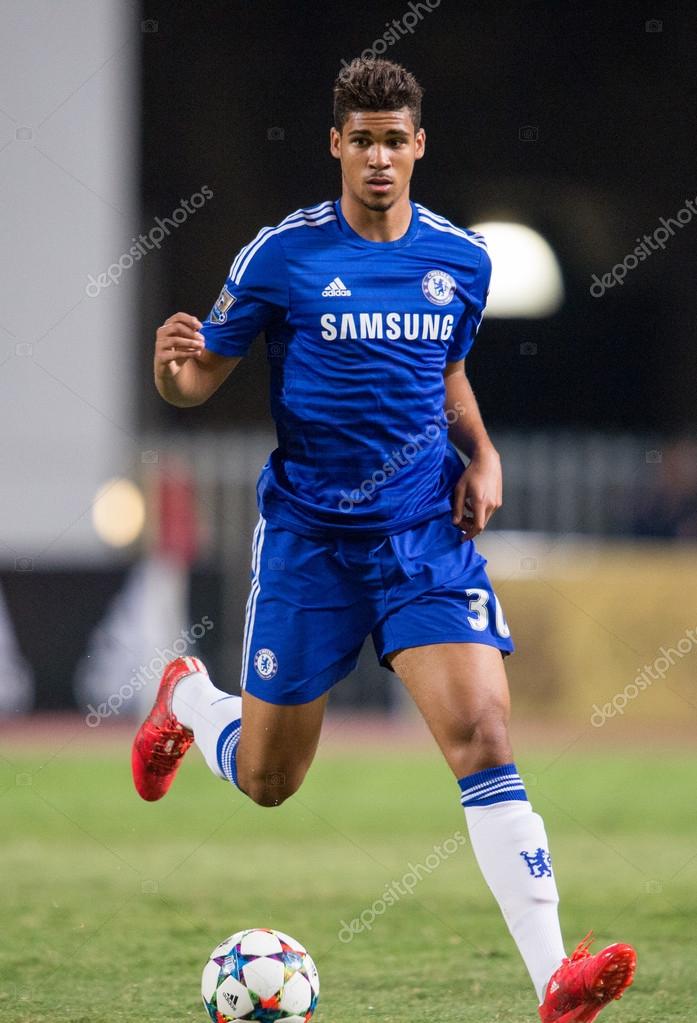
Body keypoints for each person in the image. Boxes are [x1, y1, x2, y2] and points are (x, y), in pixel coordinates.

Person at [132, 58, 636, 1021]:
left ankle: (552, 981)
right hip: (310, 544)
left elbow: (441, 375)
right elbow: (199, 382)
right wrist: (171, 375)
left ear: (417, 145)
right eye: (359, 139)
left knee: (484, 733)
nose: (376, 157)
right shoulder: (282, 256)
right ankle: (191, 699)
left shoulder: (462, 261)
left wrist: (481, 456)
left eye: (392, 140)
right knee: (271, 780)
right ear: (335, 145)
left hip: (420, 536)